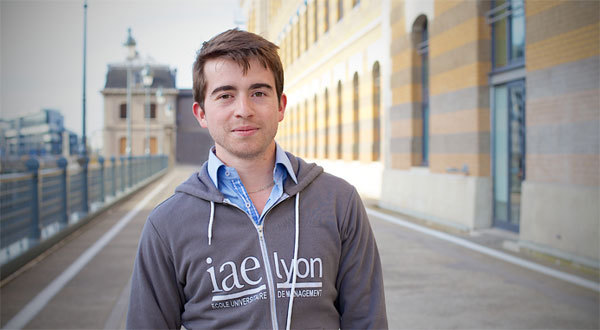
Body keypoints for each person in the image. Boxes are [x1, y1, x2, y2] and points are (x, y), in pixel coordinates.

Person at [126, 29, 388, 330]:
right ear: (201, 113)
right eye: (225, 95)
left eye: (259, 93)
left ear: (280, 106)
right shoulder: (166, 224)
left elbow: (367, 321)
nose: (244, 110)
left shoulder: (339, 202)